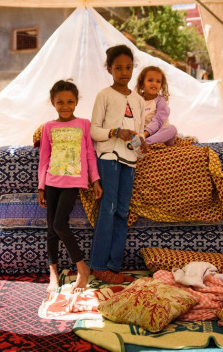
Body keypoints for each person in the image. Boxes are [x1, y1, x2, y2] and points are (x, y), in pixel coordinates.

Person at [38, 80, 103, 293]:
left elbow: (89, 154)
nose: (65, 106)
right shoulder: (48, 127)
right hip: (51, 182)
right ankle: (53, 274)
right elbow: (44, 158)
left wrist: (95, 180)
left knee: (59, 224)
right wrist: (41, 186)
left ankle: (82, 267)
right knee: (51, 230)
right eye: (60, 102)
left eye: (70, 102)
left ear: (76, 102)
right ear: (52, 103)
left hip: (72, 182)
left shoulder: (83, 124)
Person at [89, 45, 145, 284]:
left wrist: (141, 143)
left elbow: (140, 132)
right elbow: (94, 131)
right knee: (108, 210)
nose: (124, 72)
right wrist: (115, 131)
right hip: (109, 158)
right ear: (109, 69)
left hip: (130, 160)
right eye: (118, 67)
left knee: (122, 212)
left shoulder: (138, 99)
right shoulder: (104, 95)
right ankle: (98, 265)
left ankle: (114, 266)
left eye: (128, 67)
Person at [135, 65, 177, 146]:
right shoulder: (137, 100)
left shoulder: (160, 101)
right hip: (142, 133)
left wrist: (144, 135)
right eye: (150, 80)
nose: (154, 83)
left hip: (160, 134)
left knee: (172, 129)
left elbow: (158, 121)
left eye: (158, 81)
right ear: (142, 83)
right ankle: (140, 142)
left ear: (161, 85)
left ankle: (143, 144)